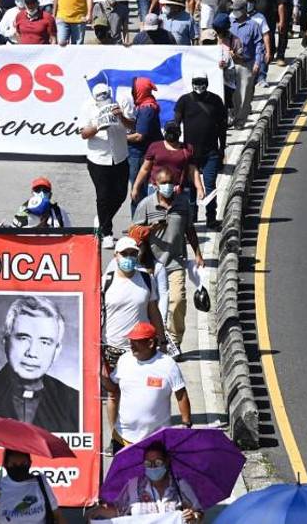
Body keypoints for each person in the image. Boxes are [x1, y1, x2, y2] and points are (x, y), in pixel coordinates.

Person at [0, 295, 79, 432]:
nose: (32, 352)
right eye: (23, 338)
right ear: (6, 342)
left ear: (57, 350)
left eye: (45, 342)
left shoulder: (75, 402)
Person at [132, 167, 204, 356]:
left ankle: (174, 339)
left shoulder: (183, 203)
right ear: (155, 185)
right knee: (150, 304)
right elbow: (134, 234)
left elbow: (190, 229)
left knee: (178, 300)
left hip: (175, 261)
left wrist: (198, 253)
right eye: (163, 183)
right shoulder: (146, 205)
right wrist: (151, 229)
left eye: (171, 182)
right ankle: (151, 338)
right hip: (150, 264)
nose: (168, 186)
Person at [102, 236, 164, 437]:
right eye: (125, 254)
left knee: (140, 393)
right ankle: (115, 436)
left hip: (140, 349)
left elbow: (153, 310)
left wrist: (161, 340)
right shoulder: (106, 282)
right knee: (114, 394)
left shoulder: (146, 279)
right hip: (112, 348)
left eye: (133, 253)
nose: (129, 257)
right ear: (116, 256)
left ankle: (139, 435)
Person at [102, 322, 192, 450]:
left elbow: (181, 395)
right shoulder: (124, 360)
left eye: (136, 341)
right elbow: (113, 389)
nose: (131, 345)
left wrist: (186, 424)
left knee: (156, 470)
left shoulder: (168, 364)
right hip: (123, 438)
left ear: (150, 343)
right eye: (131, 341)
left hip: (156, 440)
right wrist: (102, 376)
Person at [78, 83, 135, 250]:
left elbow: (132, 126)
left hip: (119, 156)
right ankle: (106, 233)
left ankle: (103, 218)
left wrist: (121, 117)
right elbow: (83, 134)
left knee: (120, 194)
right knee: (103, 196)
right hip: (98, 158)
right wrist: (98, 126)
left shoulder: (122, 100)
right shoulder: (87, 106)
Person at [90, 441, 204, 521]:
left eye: (158, 462)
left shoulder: (180, 486)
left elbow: (198, 513)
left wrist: (194, 517)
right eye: (148, 464)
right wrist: (96, 514)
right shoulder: (133, 485)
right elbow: (118, 510)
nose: (153, 467)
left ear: (167, 461)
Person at [173, 74, 228, 229]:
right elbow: (176, 122)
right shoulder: (184, 101)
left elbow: (222, 128)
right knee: (190, 187)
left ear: (207, 83)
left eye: (202, 82)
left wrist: (222, 149)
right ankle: (192, 216)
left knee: (210, 186)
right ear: (192, 83)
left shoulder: (216, 101)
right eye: (196, 82)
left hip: (211, 152)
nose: (199, 85)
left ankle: (211, 218)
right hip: (190, 154)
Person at [0, 449, 64, 524]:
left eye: (23, 464)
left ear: (30, 463)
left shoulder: (40, 483)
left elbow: (58, 516)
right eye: (14, 464)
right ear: (5, 465)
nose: (18, 468)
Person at [228, 0, 263, 129]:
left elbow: (259, 45)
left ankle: (240, 121)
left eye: (237, 10)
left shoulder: (253, 25)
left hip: (246, 64)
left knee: (244, 93)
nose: (234, 13)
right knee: (232, 93)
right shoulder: (230, 24)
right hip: (231, 63)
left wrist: (257, 63)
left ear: (244, 10)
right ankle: (232, 115)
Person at [127, 78, 162, 202]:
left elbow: (139, 136)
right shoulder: (145, 105)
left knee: (138, 191)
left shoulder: (147, 108)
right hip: (144, 152)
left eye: (134, 89)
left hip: (141, 154)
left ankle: (139, 219)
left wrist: (120, 139)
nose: (132, 92)